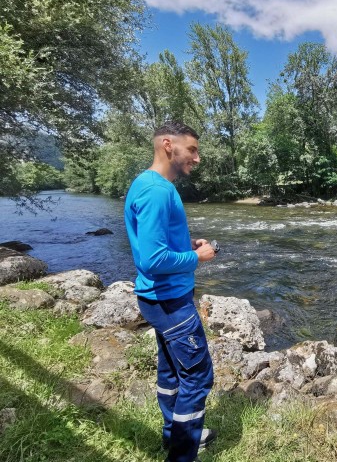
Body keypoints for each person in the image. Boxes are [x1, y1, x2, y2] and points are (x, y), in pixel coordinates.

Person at [124, 121, 217, 462]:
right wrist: (196, 256)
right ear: (168, 145)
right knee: (197, 376)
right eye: (191, 149)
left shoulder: (147, 184)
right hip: (170, 301)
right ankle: (182, 455)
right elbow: (152, 259)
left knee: (171, 371)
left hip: (157, 299)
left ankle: (171, 433)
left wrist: (186, 244)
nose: (197, 157)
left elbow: (158, 244)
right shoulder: (157, 191)